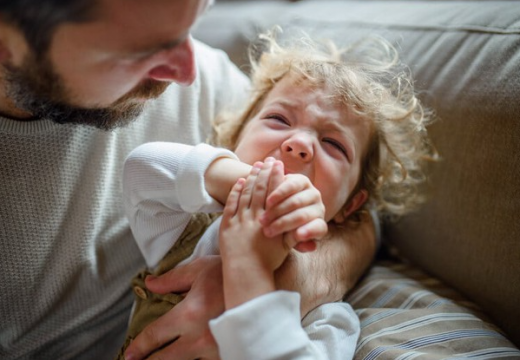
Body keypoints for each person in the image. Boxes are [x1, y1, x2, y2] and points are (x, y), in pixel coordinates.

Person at [0, 1, 378, 360]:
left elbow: (374, 216)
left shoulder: (332, 320)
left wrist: (261, 276)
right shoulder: (187, 229)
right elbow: (145, 170)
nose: (187, 72)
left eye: (194, 20)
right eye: (137, 49)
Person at [119, 30, 437, 360]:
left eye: (333, 144)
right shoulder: (187, 231)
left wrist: (249, 269)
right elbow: (142, 169)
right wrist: (246, 181)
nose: (299, 144)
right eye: (278, 119)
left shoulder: (326, 316)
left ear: (351, 205)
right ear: (233, 144)